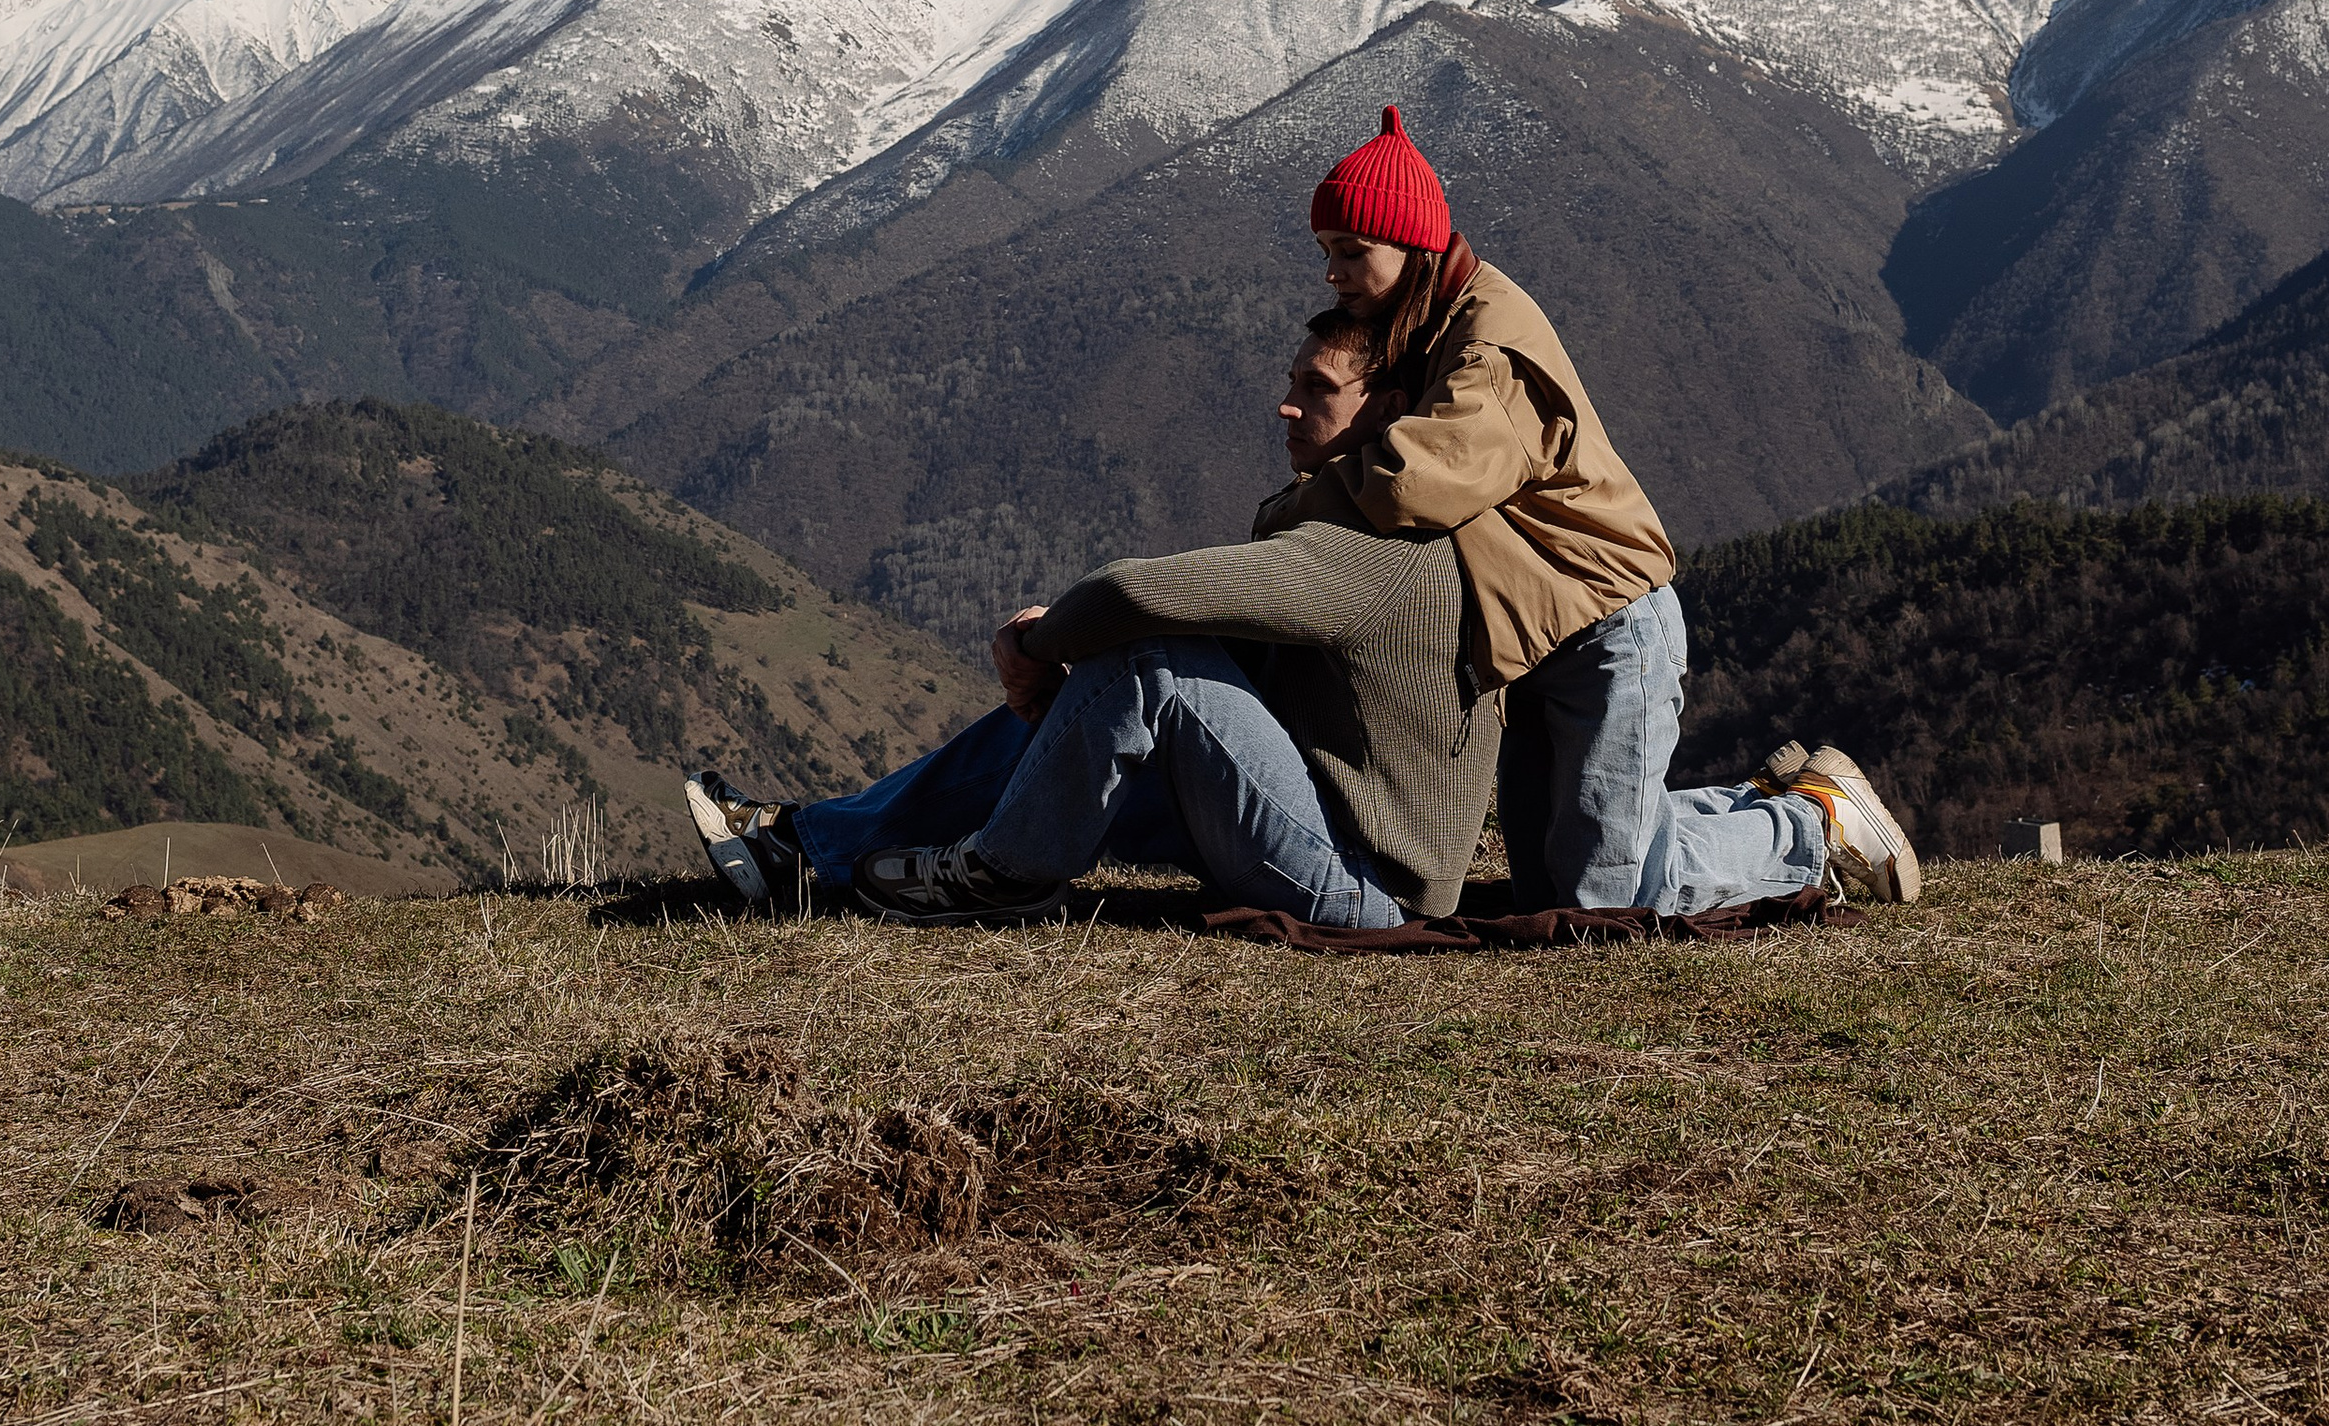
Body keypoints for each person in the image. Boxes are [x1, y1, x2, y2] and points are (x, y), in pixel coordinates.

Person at [1278, 102, 1920, 908]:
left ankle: (1813, 828)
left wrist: (1290, 516)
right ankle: (1772, 804)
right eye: (1327, 251)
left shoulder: (1486, 344)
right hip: (1547, 638)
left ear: (1409, 243)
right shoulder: (1429, 323)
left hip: (1608, 623)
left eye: (1349, 250)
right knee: (1556, 879)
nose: (1332, 272)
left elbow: (1417, 480)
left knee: (1609, 897)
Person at [683, 313, 1497, 928]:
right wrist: (1070, 672)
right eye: (1290, 382)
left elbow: (1134, 596)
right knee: (1091, 697)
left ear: (1391, 405)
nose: (1286, 407)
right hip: (1307, 821)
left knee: (1148, 659)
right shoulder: (1345, 517)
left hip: (1364, 889)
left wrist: (1036, 643)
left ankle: (1003, 874)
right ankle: (806, 848)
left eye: (1317, 388)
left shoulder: (1386, 545)